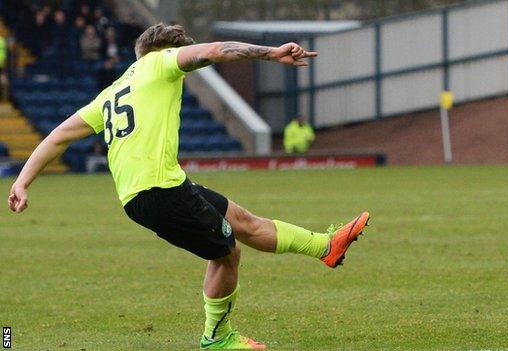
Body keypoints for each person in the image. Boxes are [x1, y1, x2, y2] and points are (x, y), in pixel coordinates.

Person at [8, 23, 370, 350]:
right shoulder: (161, 62)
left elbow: (58, 136)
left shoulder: (113, 91)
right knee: (227, 252)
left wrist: (22, 182)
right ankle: (216, 337)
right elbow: (213, 51)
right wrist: (270, 53)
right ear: (164, 50)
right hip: (157, 192)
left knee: (242, 222)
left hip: (159, 187)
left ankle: (325, 246)